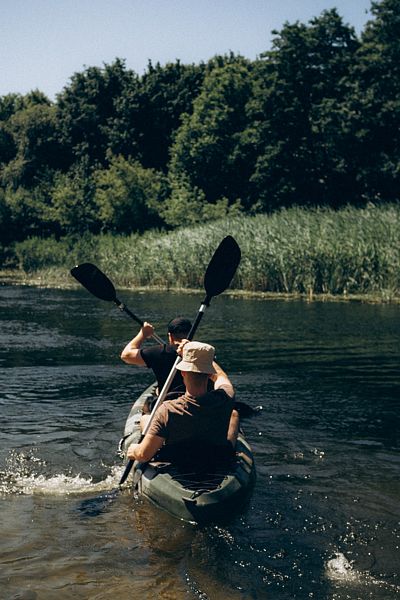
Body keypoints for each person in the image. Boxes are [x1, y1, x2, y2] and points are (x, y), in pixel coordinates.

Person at [126, 340, 240, 466]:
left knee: (145, 419)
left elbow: (144, 455)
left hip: (178, 461)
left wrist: (134, 450)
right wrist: (204, 360)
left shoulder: (167, 410)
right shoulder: (226, 398)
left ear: (182, 373)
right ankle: (231, 451)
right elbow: (221, 376)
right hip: (216, 457)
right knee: (234, 414)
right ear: (209, 374)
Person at [120, 316, 192, 394]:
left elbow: (126, 355)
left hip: (168, 399)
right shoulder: (199, 351)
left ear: (170, 336)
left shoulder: (160, 352)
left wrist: (142, 334)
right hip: (196, 399)